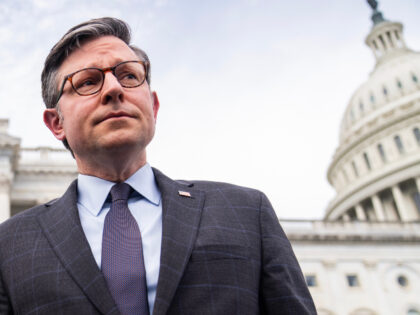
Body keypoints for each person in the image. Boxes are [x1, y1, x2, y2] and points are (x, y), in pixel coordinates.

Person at [0, 17, 316, 315]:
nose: (114, 89)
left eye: (129, 76)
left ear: (153, 105)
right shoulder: (9, 244)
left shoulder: (246, 212)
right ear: (56, 123)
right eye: (88, 81)